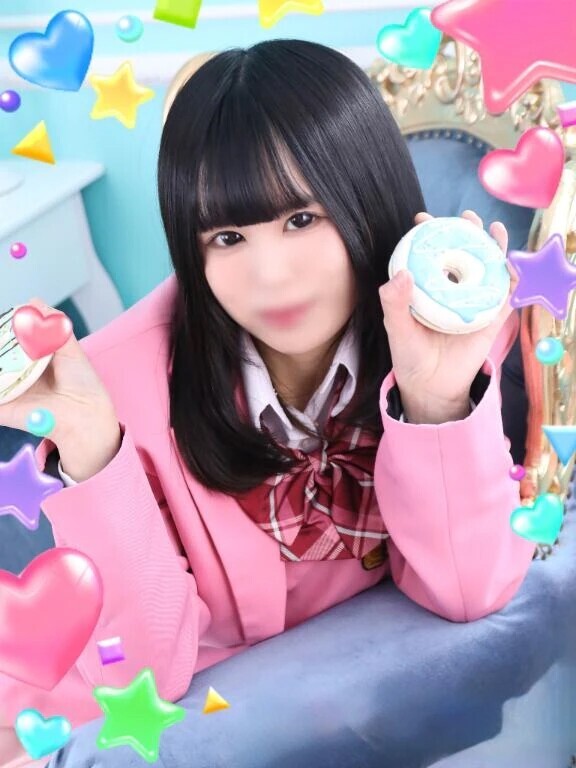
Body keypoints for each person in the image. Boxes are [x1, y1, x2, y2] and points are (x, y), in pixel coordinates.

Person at [0, 38, 535, 767]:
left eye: (300, 220)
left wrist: (435, 397)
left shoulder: (447, 325)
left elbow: (471, 593)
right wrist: (95, 448)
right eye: (227, 237)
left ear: (366, 194)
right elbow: (141, 679)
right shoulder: (119, 386)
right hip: (94, 728)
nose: (270, 276)